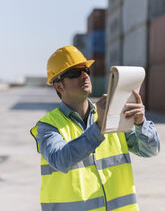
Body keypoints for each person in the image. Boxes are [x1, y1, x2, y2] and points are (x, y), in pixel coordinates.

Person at [31, 45, 160, 211]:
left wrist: (141, 124)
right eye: (75, 72)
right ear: (58, 86)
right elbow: (61, 160)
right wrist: (99, 126)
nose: (84, 75)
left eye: (85, 70)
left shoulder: (112, 114)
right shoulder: (48, 126)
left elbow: (150, 150)